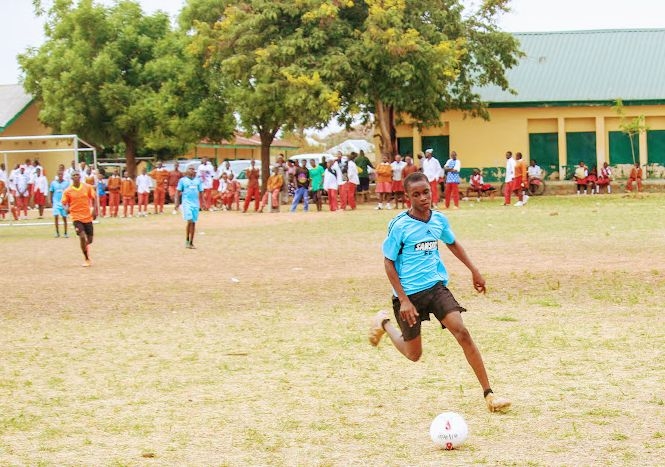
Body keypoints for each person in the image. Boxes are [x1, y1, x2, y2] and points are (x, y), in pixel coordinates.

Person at [368, 171, 511, 413]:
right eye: (416, 194)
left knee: (462, 332)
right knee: (414, 354)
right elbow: (388, 263)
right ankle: (383, 323)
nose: (423, 198)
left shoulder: (438, 220)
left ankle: (489, 394)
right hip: (408, 296)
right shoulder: (400, 226)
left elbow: (452, 243)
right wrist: (403, 300)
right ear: (408, 197)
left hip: (435, 288)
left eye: (426, 192)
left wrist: (474, 271)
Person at [61, 172, 97, 267]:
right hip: (76, 217)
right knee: (82, 236)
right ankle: (86, 258)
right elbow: (63, 203)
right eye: (74, 175)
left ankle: (84, 246)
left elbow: (94, 198)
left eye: (77, 175)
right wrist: (66, 209)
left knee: (90, 240)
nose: (76, 176)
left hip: (87, 216)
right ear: (71, 178)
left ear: (80, 177)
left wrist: (95, 210)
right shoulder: (68, 191)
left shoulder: (87, 187)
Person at [174, 165, 203, 249]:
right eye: (190, 169)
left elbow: (201, 192)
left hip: (195, 204)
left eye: (193, 169)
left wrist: (203, 203)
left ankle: (191, 242)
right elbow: (178, 192)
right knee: (189, 220)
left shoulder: (198, 180)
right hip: (186, 203)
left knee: (193, 222)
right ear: (186, 171)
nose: (192, 170)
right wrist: (176, 203)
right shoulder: (182, 180)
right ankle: (187, 239)